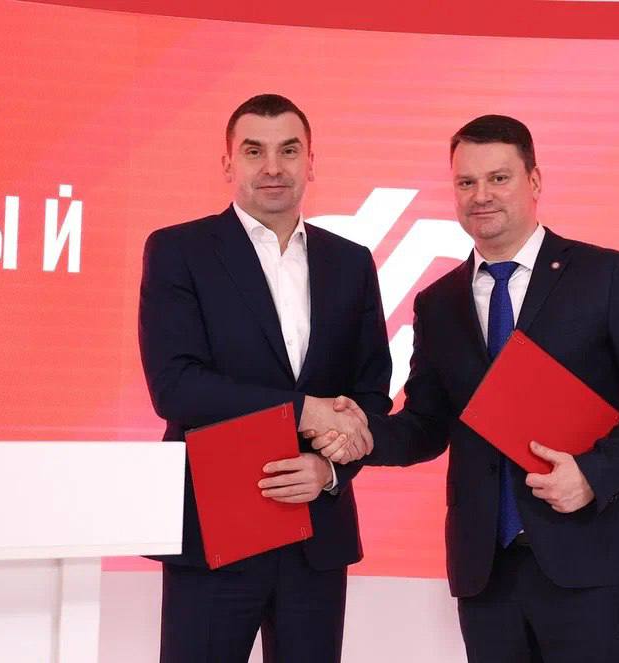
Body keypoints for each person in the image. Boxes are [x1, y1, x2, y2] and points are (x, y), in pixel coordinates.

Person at [314, 114, 619, 662]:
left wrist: (593, 474)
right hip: (487, 574)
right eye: (466, 182)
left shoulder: (604, 275)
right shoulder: (438, 303)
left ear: (534, 181)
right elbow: (427, 425)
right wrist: (363, 435)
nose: (481, 195)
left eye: (499, 178)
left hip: (595, 562)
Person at [138, 93, 389, 663]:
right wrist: (303, 411)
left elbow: (369, 394)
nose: (273, 166)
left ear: (311, 162)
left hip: (316, 531)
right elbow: (176, 387)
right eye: (254, 151)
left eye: (289, 150)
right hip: (213, 531)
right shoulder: (179, 250)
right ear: (228, 162)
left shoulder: (351, 262)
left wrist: (330, 470)